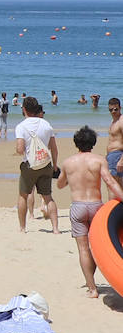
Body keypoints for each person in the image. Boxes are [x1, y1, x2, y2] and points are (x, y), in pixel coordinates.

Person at [56, 126, 123, 297]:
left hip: (78, 207)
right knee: (95, 247)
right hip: (96, 208)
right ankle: (95, 281)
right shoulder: (99, 160)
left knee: (83, 249)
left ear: (76, 143)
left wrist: (70, 178)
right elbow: (110, 181)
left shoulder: (68, 162)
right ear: (93, 143)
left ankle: (92, 288)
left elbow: (60, 185)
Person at [15, 96, 59, 234]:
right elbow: (54, 148)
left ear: (24, 109)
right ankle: (55, 228)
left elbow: (20, 149)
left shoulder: (21, 126)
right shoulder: (46, 124)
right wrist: (55, 165)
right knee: (48, 197)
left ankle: (23, 228)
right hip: (45, 164)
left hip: (29, 165)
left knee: (23, 195)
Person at [106, 98, 123, 183]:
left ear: (120, 108)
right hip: (112, 156)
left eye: (115, 109)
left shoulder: (121, 121)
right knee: (114, 184)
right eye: (111, 110)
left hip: (118, 156)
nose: (113, 111)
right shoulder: (113, 121)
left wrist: (121, 161)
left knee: (117, 184)